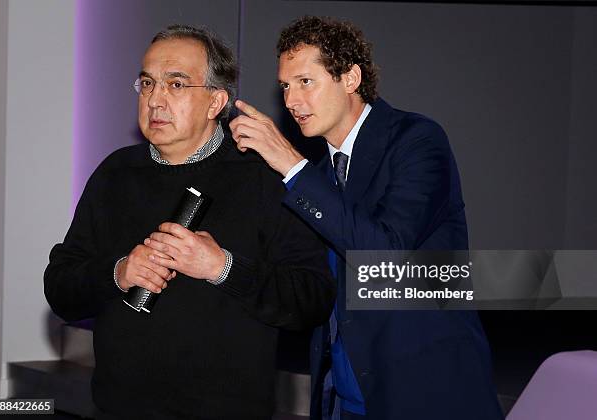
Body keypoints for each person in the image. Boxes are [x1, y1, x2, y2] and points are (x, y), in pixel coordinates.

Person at [44, 24, 335, 420]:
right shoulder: (115, 173)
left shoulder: (264, 177)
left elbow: (312, 299)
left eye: (176, 85)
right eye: (147, 84)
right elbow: (60, 288)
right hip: (118, 407)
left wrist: (222, 268)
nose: (155, 100)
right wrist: (119, 272)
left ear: (216, 102)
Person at [230, 16, 503, 420]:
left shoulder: (416, 140)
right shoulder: (318, 175)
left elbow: (386, 255)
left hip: (425, 392)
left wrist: (291, 164)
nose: (290, 101)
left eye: (306, 82)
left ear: (351, 78)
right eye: (285, 86)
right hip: (342, 394)